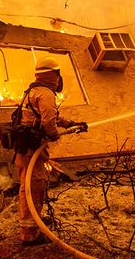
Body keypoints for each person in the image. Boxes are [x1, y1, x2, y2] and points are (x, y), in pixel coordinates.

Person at [14, 56, 87, 246]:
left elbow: (50, 116)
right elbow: (48, 122)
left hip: (25, 148)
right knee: (34, 187)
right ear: (52, 75)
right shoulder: (45, 94)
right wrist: (54, 133)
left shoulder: (33, 90)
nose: (58, 78)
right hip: (32, 149)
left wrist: (70, 124)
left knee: (28, 186)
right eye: (57, 74)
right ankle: (30, 233)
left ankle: (32, 222)